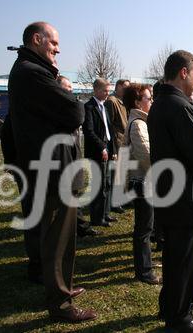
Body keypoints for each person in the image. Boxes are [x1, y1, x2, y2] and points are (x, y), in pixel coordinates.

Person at [8, 21, 96, 322]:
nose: (58, 49)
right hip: (54, 171)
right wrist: (72, 103)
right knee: (58, 239)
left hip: (53, 168)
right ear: (37, 39)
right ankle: (61, 303)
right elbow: (75, 112)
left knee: (58, 236)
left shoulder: (30, 72)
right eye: (54, 43)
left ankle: (63, 289)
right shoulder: (31, 74)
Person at [147, 50, 193, 332]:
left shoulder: (161, 103)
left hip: (171, 194)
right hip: (186, 196)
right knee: (186, 261)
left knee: (174, 257)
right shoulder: (178, 105)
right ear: (183, 73)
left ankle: (170, 307)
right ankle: (180, 319)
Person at [122, 83, 162, 284]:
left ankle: (145, 263)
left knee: (147, 226)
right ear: (137, 102)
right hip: (143, 181)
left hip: (143, 181)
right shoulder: (138, 124)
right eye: (148, 98)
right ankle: (144, 271)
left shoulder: (140, 122)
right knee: (144, 229)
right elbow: (146, 157)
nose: (152, 101)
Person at [57, 75, 100, 238]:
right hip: (61, 160)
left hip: (73, 157)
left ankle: (79, 226)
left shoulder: (69, 106)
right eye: (67, 87)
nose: (70, 90)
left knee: (74, 195)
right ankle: (76, 228)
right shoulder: (58, 108)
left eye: (71, 87)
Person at [83, 78, 118, 227]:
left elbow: (110, 130)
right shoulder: (89, 107)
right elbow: (89, 131)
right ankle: (97, 218)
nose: (107, 93)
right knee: (99, 185)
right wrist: (102, 147)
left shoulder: (105, 107)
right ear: (96, 90)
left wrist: (113, 149)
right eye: (105, 90)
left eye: (108, 90)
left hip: (108, 149)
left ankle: (105, 213)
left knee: (108, 183)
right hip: (96, 152)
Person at [105, 79, 130, 213]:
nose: (127, 90)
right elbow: (109, 125)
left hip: (123, 141)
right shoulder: (112, 101)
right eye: (125, 87)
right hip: (117, 142)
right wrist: (113, 146)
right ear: (118, 87)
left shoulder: (122, 101)